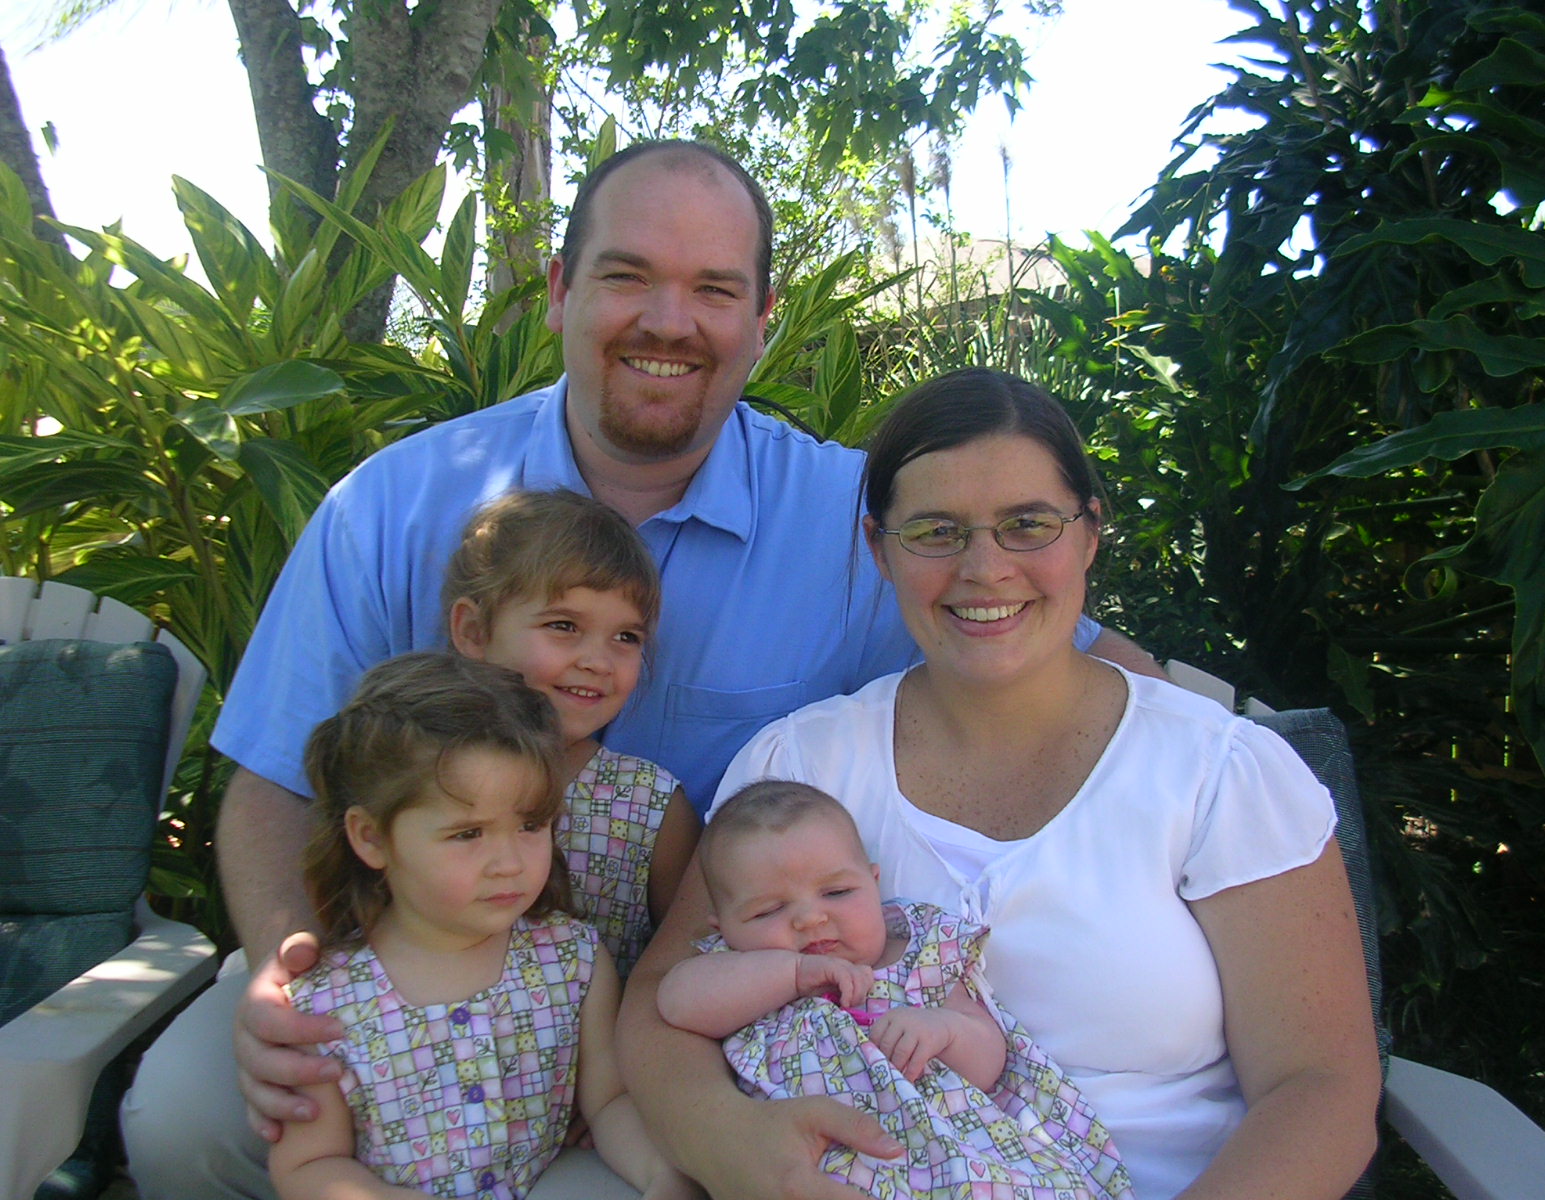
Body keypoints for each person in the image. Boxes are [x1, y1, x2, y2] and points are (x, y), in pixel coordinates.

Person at [122, 140, 1160, 1200]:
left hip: (703, 1011)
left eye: (714, 289)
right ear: (562, 291)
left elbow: (1040, 635)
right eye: (627, 276)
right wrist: (288, 977)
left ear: (762, 322)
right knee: (183, 1123)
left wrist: (1222, 751)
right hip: (411, 967)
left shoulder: (851, 525)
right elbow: (271, 781)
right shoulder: (395, 508)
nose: (669, 321)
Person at [619, 368, 1382, 1200]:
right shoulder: (801, 765)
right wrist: (731, 1146)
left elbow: (1320, 1088)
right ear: (880, 550)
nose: (985, 568)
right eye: (936, 532)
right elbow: (662, 997)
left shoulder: (1220, 774)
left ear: (1090, 534)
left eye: (1028, 525)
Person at [267, 652, 692, 1200]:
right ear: (371, 838)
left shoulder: (573, 961)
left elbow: (608, 1102)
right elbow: (309, 1164)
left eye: (531, 825)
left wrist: (661, 1176)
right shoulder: (323, 1004)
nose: (510, 862)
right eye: (468, 834)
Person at [657, 780, 1134, 1200]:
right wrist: (792, 974)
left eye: (837, 893)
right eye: (767, 912)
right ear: (724, 928)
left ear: (874, 883)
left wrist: (943, 1031)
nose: (810, 918)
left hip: (950, 1159)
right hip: (806, 1164)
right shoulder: (737, 972)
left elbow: (992, 1063)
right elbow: (678, 1002)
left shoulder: (918, 959)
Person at [444, 487, 699, 979]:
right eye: (563, 625)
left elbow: (688, 964)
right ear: (473, 631)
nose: (597, 661)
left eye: (626, 637)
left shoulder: (650, 807)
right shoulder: (416, 775)